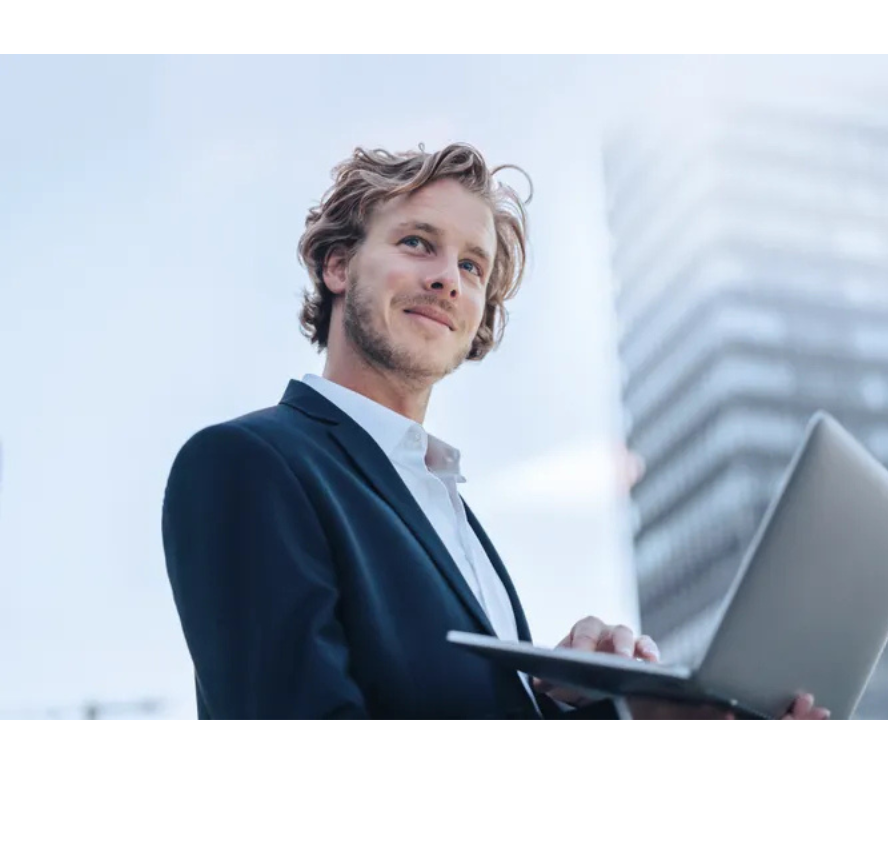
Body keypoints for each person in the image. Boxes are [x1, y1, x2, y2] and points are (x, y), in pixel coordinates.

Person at [161, 143, 830, 720]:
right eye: (417, 242)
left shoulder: (448, 509)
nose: (446, 278)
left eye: (472, 266)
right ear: (339, 267)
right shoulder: (248, 464)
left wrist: (615, 710)